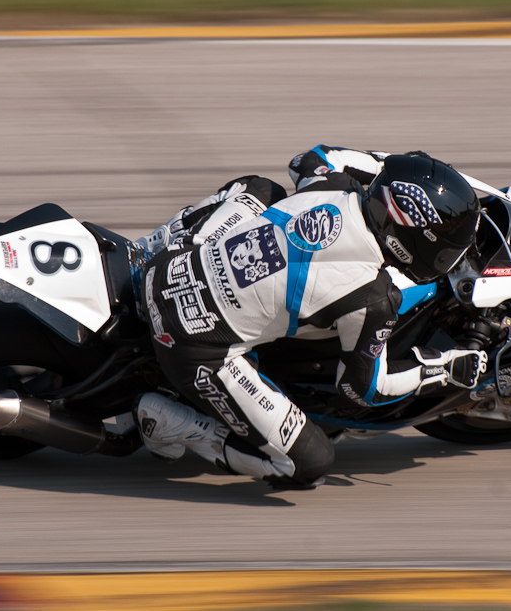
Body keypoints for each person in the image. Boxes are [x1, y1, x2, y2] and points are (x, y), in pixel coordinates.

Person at [134, 146, 487, 489]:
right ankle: (178, 426)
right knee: (309, 462)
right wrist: (444, 368)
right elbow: (363, 389)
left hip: (165, 266)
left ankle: (150, 247)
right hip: (193, 345)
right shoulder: (373, 297)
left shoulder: (333, 185)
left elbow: (308, 158)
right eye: (447, 249)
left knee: (260, 189)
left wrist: (385, 166)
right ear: (414, 242)